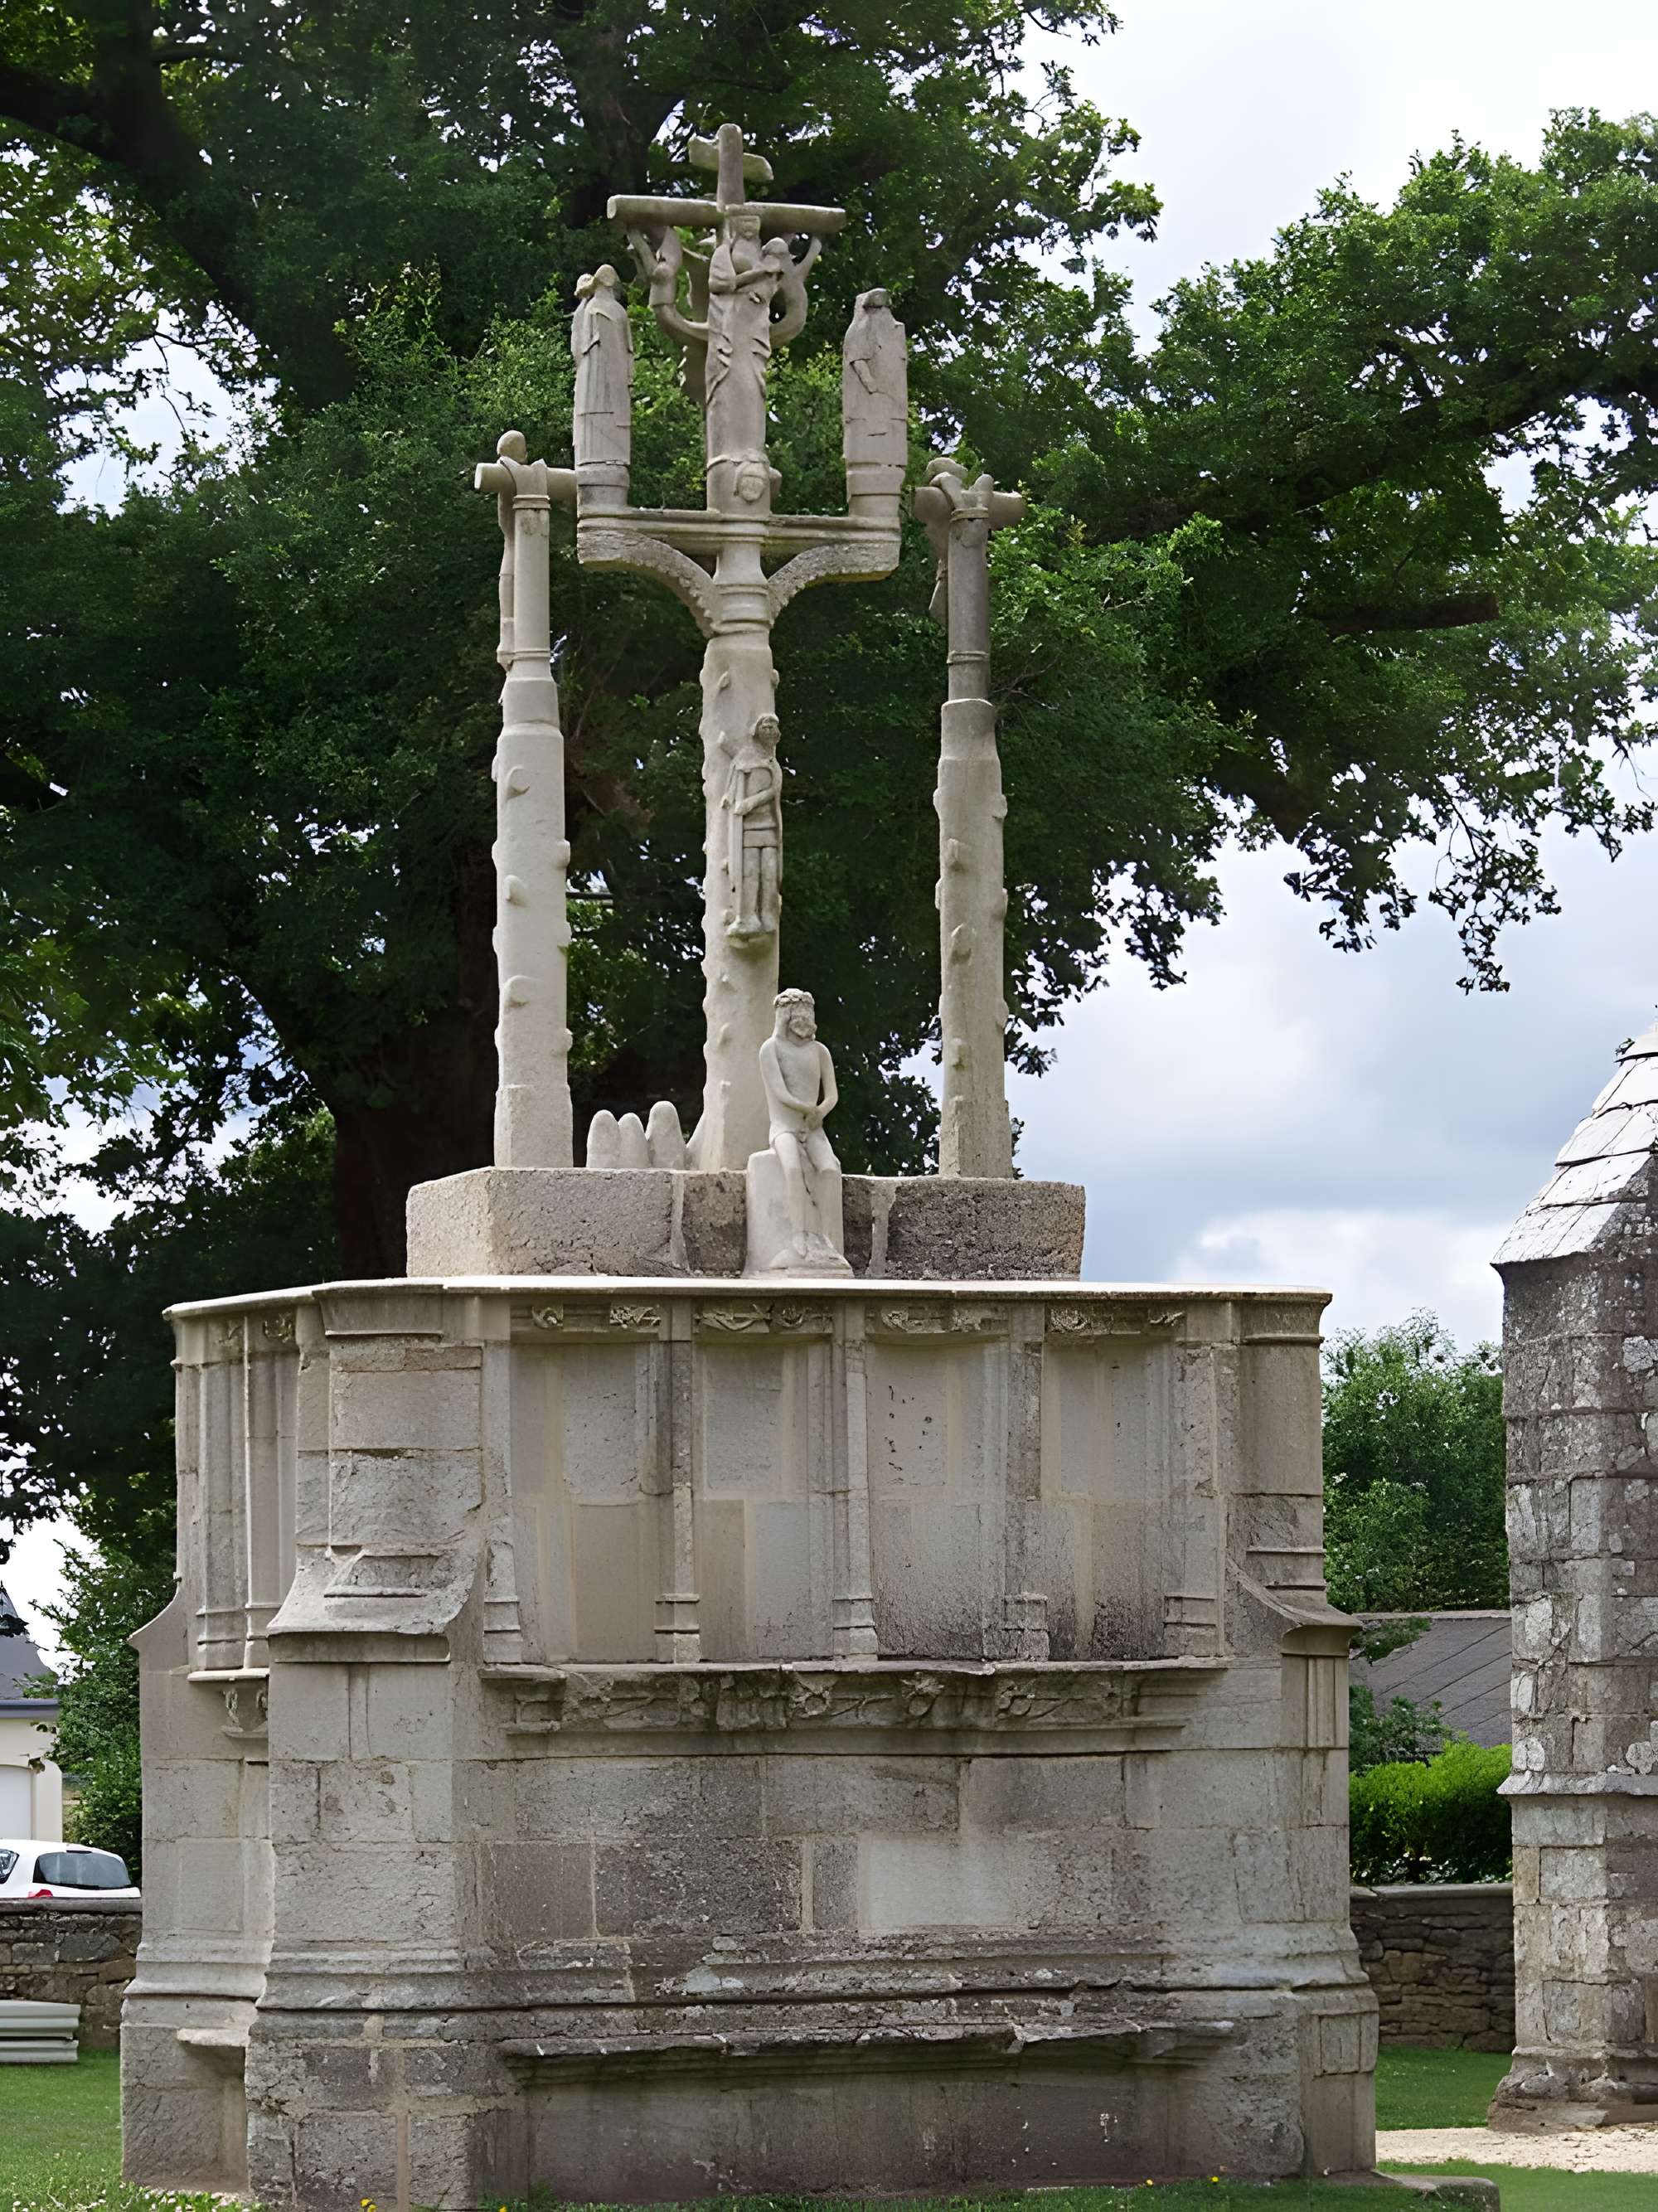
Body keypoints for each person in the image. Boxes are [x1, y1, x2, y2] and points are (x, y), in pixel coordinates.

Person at [759, 990, 840, 1259]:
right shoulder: (771, 1049)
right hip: (785, 1126)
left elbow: (832, 1095)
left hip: (813, 1127)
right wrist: (808, 1109)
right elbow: (779, 1092)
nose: (805, 1020)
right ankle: (798, 1234)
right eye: (798, 1014)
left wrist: (820, 1112)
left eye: (809, 1014)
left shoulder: (820, 1051)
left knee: (829, 1169)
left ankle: (829, 1239)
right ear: (786, 1018)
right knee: (792, 1169)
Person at [723, 713, 783, 940]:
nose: (770, 731)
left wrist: (749, 803)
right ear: (756, 731)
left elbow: (773, 791)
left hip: (768, 826)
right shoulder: (744, 757)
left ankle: (767, 916)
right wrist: (731, 799)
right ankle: (747, 917)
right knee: (749, 873)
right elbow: (735, 782)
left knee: (768, 873)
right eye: (766, 727)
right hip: (748, 830)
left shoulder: (772, 763)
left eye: (773, 727)